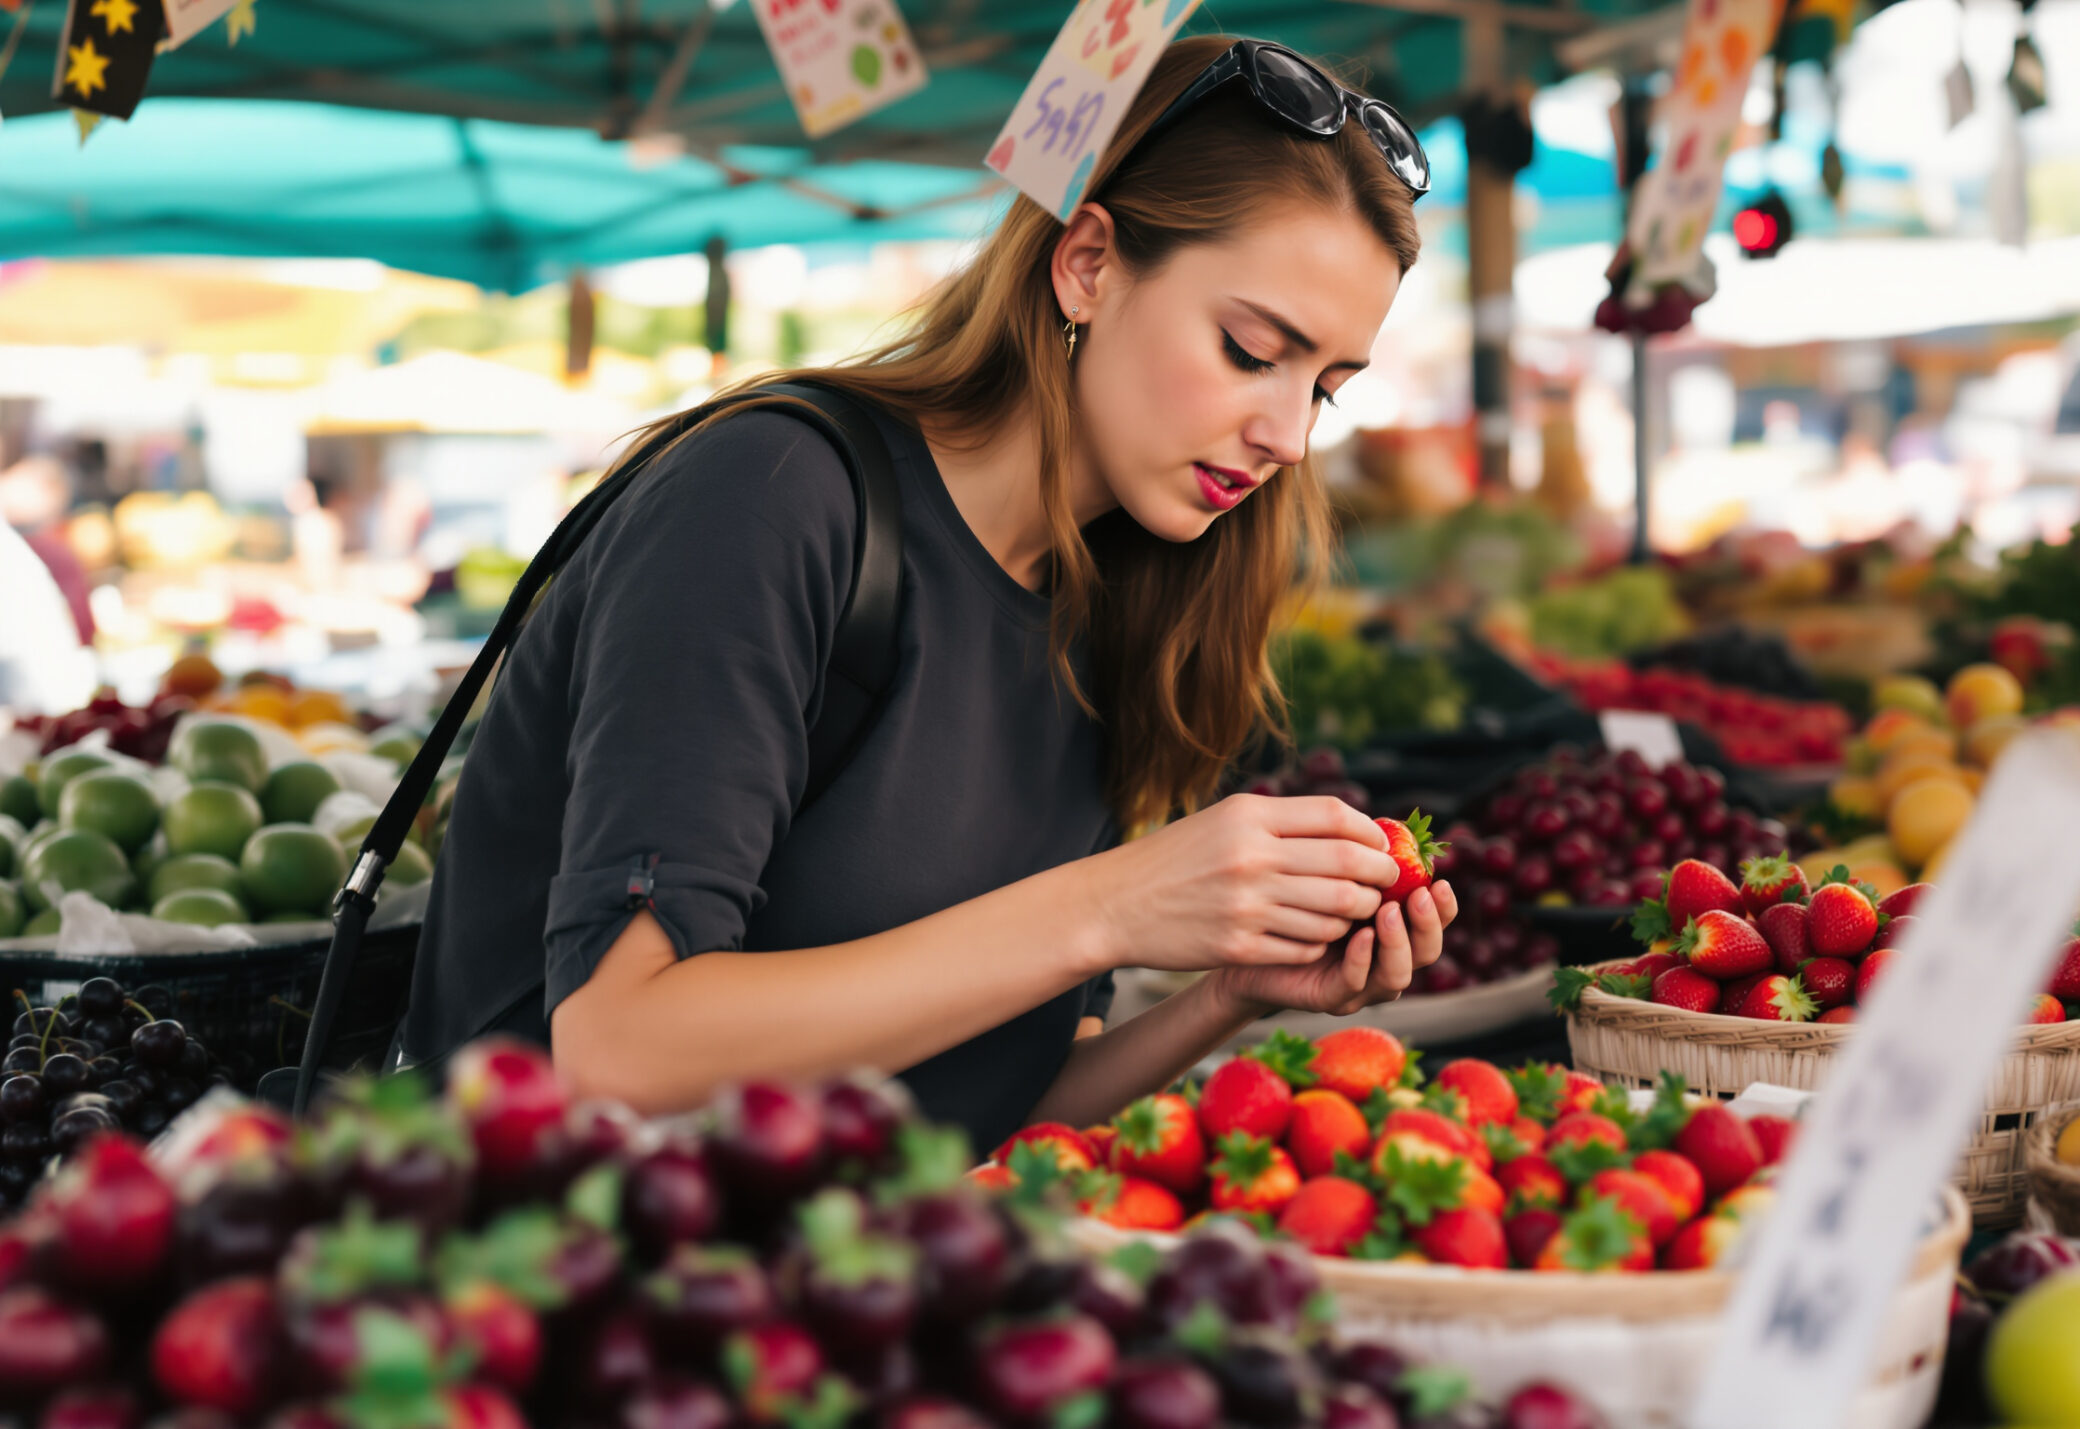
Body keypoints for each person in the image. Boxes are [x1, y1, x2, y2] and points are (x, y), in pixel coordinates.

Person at [395, 37, 1450, 1150]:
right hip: (553, 1284)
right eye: (1250, 351)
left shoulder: (1122, 600)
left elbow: (985, 1109)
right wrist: (1111, 906)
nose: (1287, 436)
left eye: (1325, 389)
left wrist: (1229, 994)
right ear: (1086, 261)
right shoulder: (767, 499)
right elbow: (623, 1052)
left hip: (861, 1281)